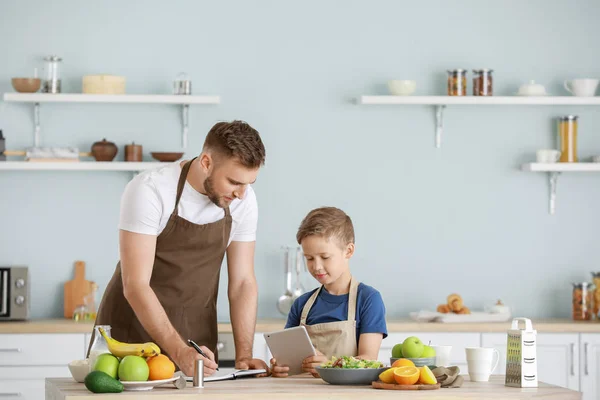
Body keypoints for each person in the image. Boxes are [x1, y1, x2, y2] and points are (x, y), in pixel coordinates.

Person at [91, 120, 268, 377]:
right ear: (206, 162)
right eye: (233, 182)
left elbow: (242, 283)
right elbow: (135, 285)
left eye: (248, 183)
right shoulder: (150, 190)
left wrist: (244, 355)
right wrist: (178, 350)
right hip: (131, 338)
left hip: (196, 338)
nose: (241, 193)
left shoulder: (244, 199)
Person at [271, 207, 388, 377]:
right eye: (309, 258)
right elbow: (287, 361)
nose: (316, 266)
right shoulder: (302, 304)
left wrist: (330, 365)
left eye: (325, 257)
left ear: (348, 251)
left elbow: (369, 360)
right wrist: (280, 368)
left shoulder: (368, 299)